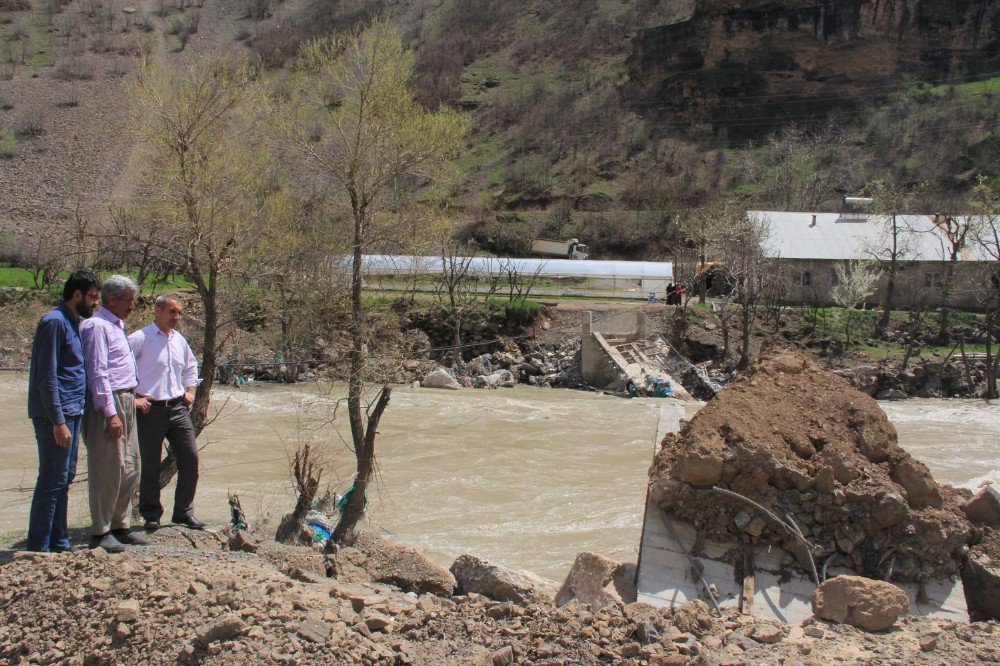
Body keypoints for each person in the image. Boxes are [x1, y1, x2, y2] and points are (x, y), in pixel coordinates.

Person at [26, 270, 101, 553]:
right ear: (77, 295)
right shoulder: (54, 322)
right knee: (51, 478)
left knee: (65, 477)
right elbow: (47, 376)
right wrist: (58, 421)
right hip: (55, 416)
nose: (96, 303)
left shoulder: (75, 322)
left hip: (73, 411)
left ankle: (59, 541)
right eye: (93, 297)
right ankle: (39, 547)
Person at [80, 275, 150, 553]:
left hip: (127, 399)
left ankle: (121, 526)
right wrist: (110, 413)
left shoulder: (117, 326)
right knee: (107, 467)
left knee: (131, 467)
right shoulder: (96, 326)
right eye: (130, 300)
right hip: (108, 404)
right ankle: (100, 531)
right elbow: (98, 373)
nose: (133, 305)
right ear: (112, 299)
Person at [129, 294, 204, 531]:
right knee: (150, 464)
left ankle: (183, 513)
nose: (177, 317)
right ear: (158, 311)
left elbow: (191, 366)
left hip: (178, 407)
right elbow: (120, 368)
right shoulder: (139, 338)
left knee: (190, 458)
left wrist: (190, 390)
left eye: (179, 312)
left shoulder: (179, 340)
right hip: (149, 409)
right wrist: (133, 398)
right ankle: (151, 514)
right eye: (172, 312)